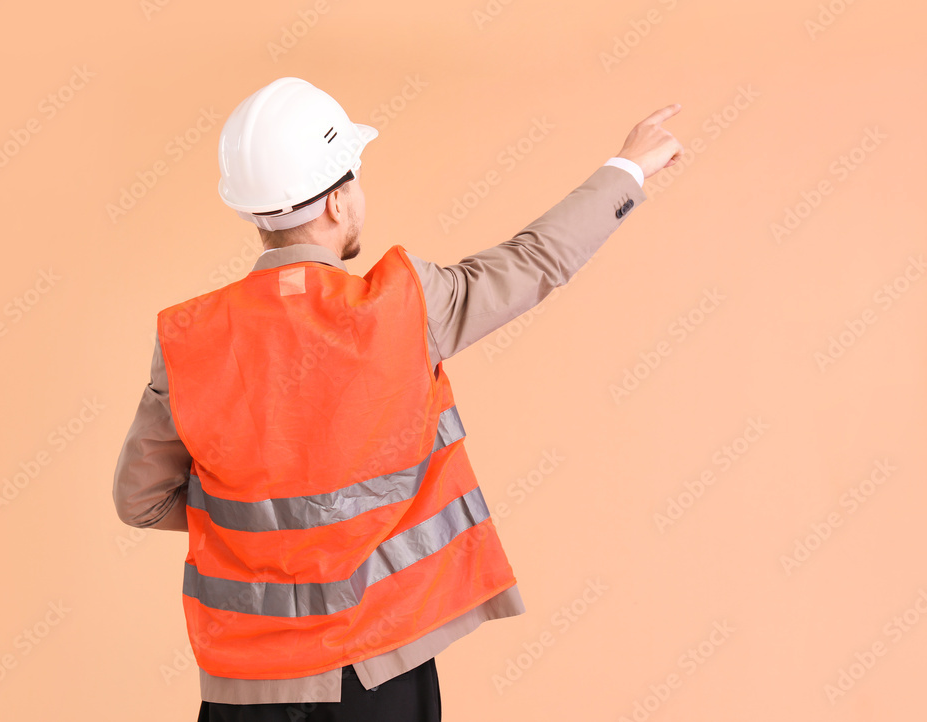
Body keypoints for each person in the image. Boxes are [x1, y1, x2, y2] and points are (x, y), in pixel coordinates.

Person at [113, 76, 683, 722]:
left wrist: (265, 535)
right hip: (381, 677)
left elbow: (141, 500)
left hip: (248, 687)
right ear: (335, 201)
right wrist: (627, 168)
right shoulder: (404, 307)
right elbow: (533, 264)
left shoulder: (191, 338)